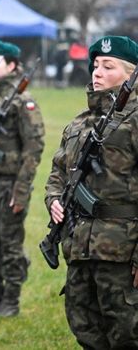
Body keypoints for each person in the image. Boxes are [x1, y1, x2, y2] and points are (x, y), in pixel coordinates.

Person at [46, 35, 138, 348]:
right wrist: (54, 200)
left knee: (126, 332)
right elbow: (58, 172)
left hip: (122, 250)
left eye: (108, 66)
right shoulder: (79, 124)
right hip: (79, 245)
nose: (97, 72)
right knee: (84, 325)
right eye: (95, 65)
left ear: (131, 74)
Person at [0, 40, 44, 318]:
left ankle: (11, 301)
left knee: (10, 243)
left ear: (12, 65)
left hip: (10, 182)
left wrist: (22, 189)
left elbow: (33, 148)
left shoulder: (22, 102)